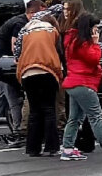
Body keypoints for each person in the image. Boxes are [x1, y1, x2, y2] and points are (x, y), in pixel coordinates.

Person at [59, 14, 102, 161]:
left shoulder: (73, 40)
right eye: (95, 28)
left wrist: (99, 70)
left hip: (73, 82)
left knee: (75, 118)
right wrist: (96, 43)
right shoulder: (82, 43)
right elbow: (94, 57)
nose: (97, 32)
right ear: (88, 29)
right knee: (96, 116)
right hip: (83, 84)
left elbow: (85, 63)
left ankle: (68, 148)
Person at [0, 0, 45, 142]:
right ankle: (17, 131)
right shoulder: (20, 24)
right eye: (41, 14)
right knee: (12, 96)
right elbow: (15, 46)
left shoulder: (19, 20)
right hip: (1, 63)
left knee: (2, 96)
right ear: (33, 13)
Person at [14, 13, 64, 157]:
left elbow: (18, 52)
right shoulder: (52, 31)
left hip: (27, 73)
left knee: (35, 112)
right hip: (47, 72)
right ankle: (52, 146)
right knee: (49, 110)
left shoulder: (26, 32)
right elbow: (59, 52)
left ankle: (32, 148)